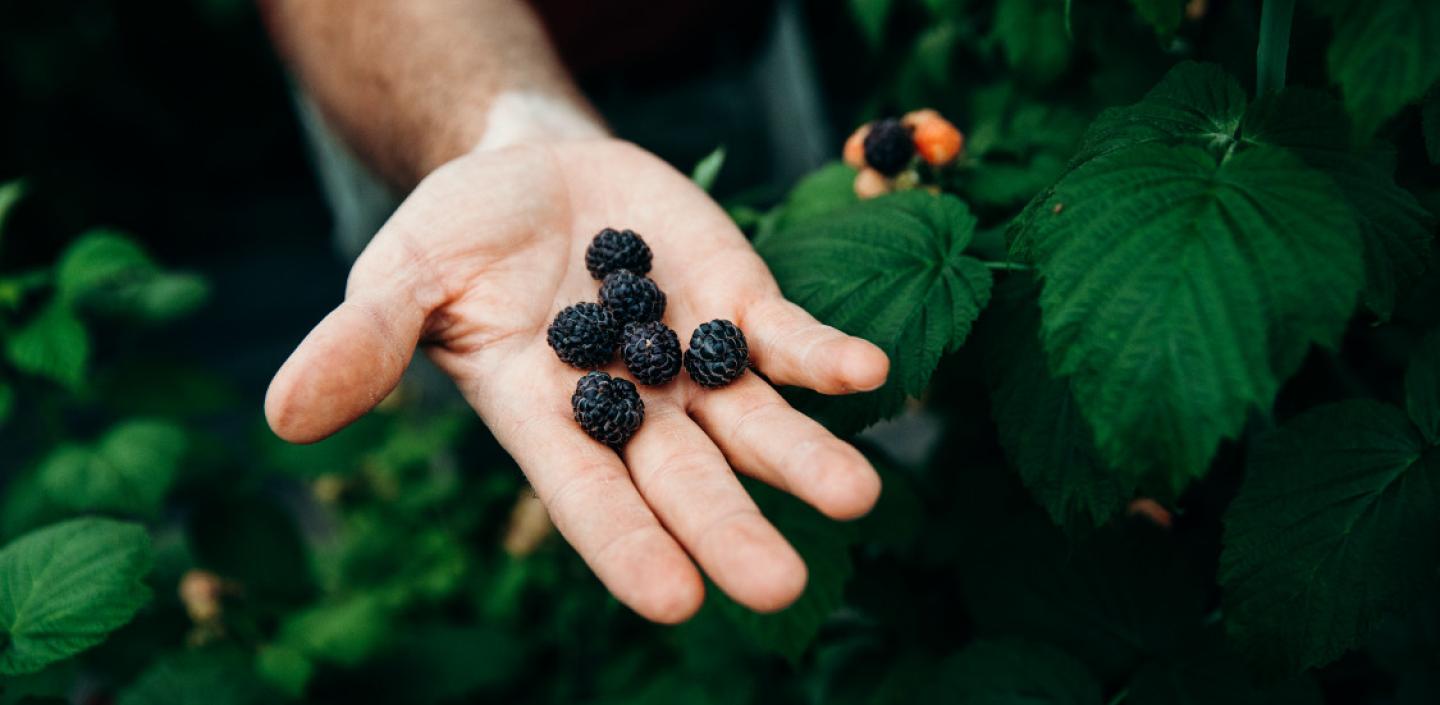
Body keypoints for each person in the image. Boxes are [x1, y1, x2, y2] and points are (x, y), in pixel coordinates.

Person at [258, 0, 890, 625]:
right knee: (465, 420)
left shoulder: (628, 318)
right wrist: (507, 130)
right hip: (405, 88)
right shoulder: (615, 323)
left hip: (726, 47)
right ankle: (509, 577)